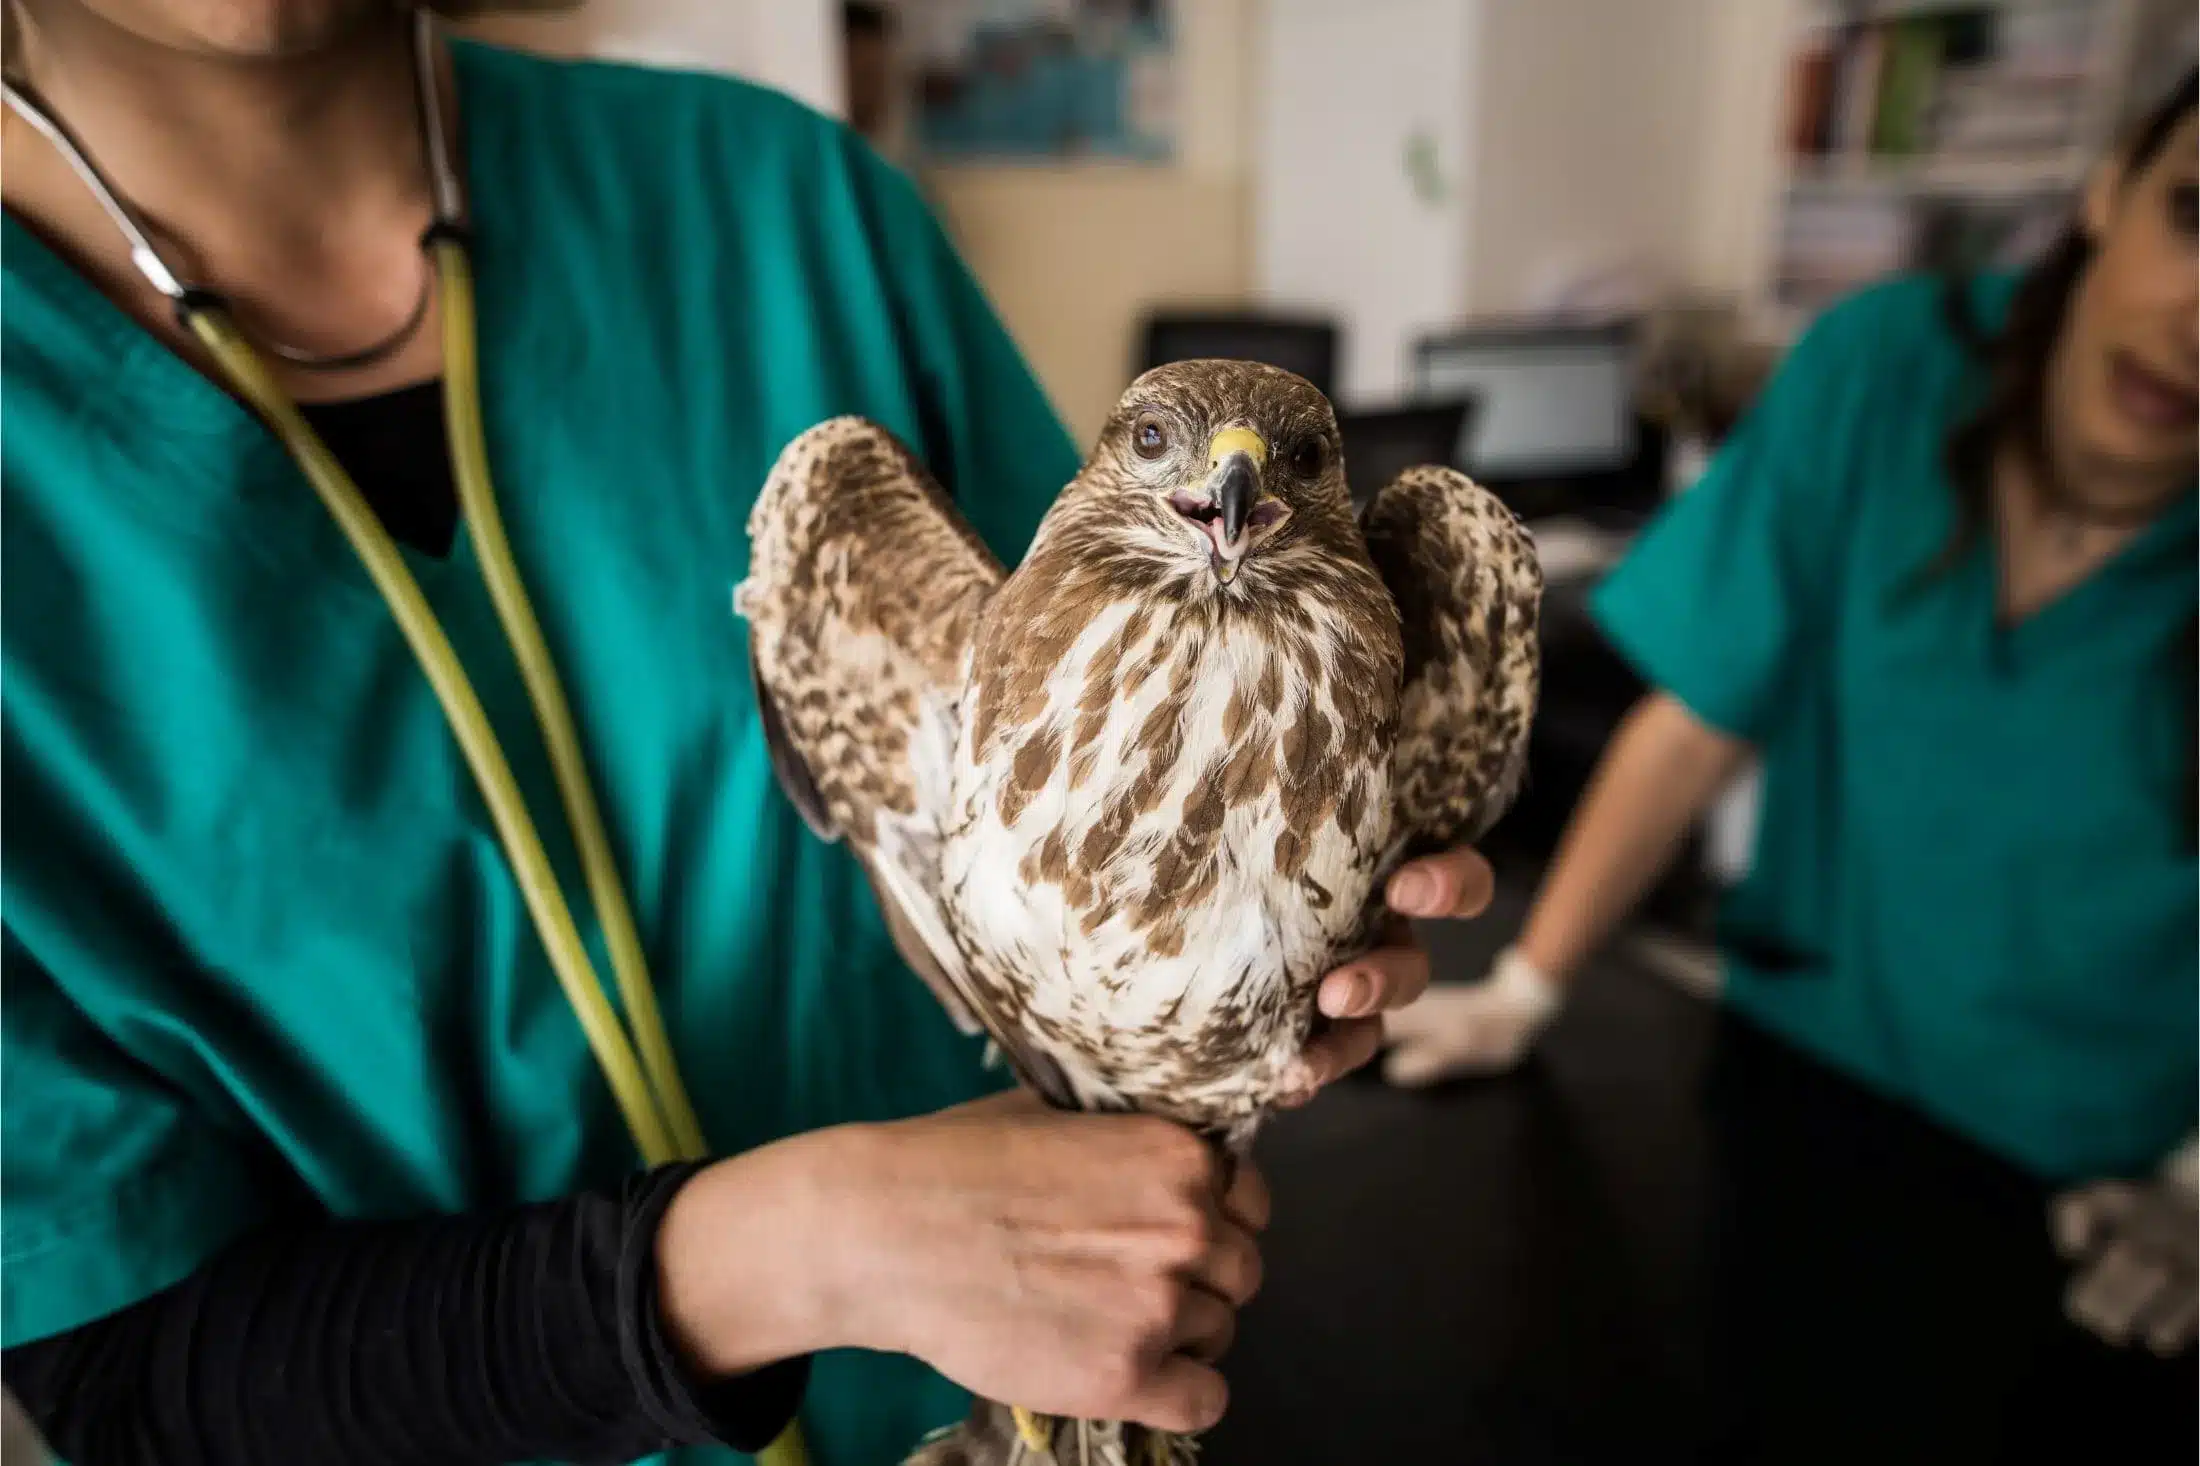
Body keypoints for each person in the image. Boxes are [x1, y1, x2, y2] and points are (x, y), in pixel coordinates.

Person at [0, 3, 1500, 1464]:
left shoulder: (792, 205)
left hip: (1045, 1385)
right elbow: (116, 1376)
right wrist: (800, 1253)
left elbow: (1107, 774)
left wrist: (1271, 945)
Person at [1385, 70, 2197, 1367]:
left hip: (2090, 1185)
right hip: (1794, 1075)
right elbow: (1696, 719)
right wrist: (1526, 986)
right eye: (2193, 215)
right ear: (2111, 190)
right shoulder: (1888, 370)